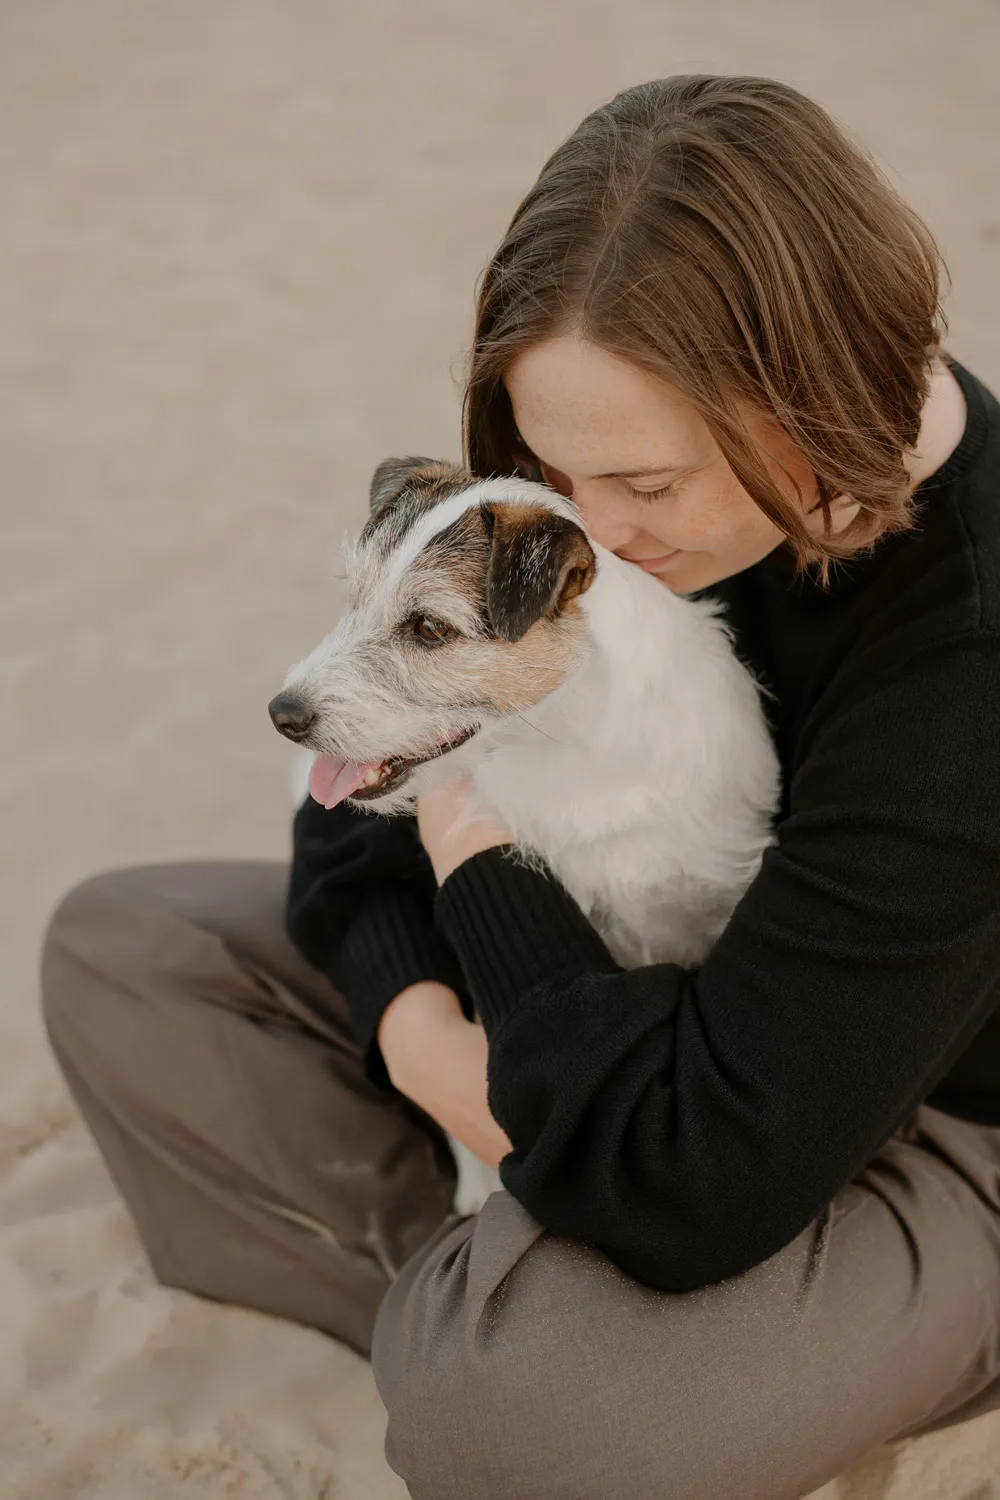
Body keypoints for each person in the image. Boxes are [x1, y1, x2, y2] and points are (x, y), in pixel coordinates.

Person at [40, 74, 1000, 1500]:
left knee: (523, 1421)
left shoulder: (964, 665)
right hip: (613, 1039)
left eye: (648, 487)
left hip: (918, 1116)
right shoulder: (583, 491)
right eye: (550, 466)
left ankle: (546, 1321)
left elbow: (708, 1171)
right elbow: (348, 833)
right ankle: (511, 1285)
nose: (591, 538)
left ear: (816, 395)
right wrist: (442, 1048)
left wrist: (479, 870)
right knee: (127, 957)